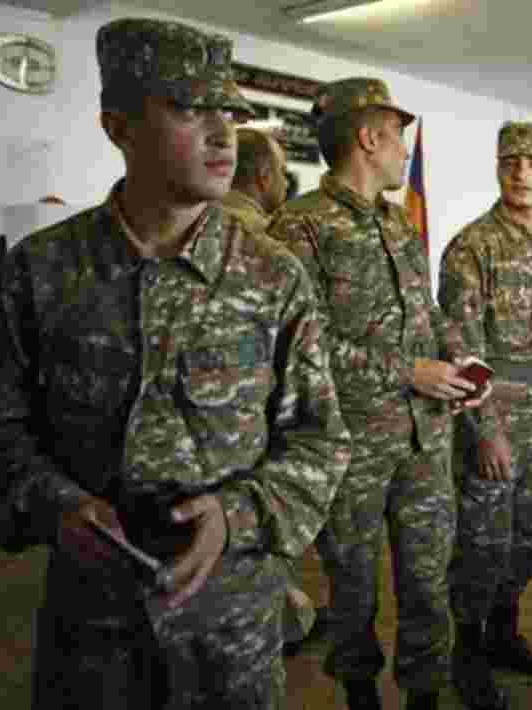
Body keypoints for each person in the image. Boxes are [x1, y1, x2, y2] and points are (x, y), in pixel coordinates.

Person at [0, 18, 352, 709]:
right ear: (119, 126)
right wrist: (57, 506)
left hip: (231, 624)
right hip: (95, 625)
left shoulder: (273, 275)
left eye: (227, 110)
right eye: (187, 108)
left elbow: (321, 439)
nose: (223, 133)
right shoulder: (43, 271)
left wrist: (235, 515)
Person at [268, 77, 486, 710]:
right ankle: (360, 696)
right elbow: (301, 346)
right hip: (352, 447)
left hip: (425, 440)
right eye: (399, 140)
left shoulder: (398, 222)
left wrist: (456, 354)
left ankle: (424, 696)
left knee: (427, 581)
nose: (404, 154)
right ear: (370, 138)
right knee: (353, 587)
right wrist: (405, 371)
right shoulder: (299, 227)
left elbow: (427, 312)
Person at [438, 121, 532, 708]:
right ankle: (468, 654)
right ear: (499, 169)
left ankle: (503, 635)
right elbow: (461, 348)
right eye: (511, 161)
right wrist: (486, 430)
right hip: (497, 421)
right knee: (482, 543)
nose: (522, 170)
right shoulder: (471, 247)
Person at [218, 126, 327, 658]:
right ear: (264, 176)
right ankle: (278, 622)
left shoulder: (207, 227)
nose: (285, 181)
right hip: (256, 423)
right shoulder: (263, 243)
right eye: (283, 172)